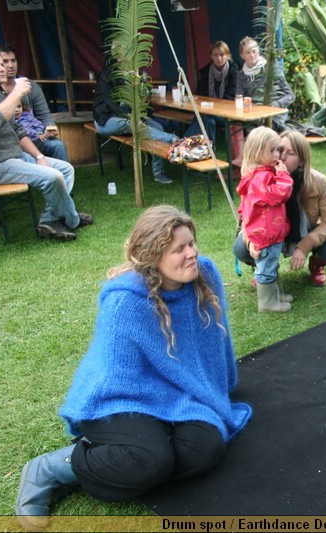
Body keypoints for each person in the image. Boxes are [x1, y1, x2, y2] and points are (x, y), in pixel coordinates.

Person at [14, 205, 252, 532]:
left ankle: (120, 460)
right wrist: (158, 414)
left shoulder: (204, 277)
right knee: (151, 459)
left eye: (192, 243)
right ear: (154, 256)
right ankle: (55, 468)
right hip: (119, 398)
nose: (192, 254)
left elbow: (212, 342)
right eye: (179, 249)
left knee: (206, 450)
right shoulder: (126, 302)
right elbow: (113, 378)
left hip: (178, 392)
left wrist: (219, 385)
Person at [0, 46, 92, 242]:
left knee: (65, 169)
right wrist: (17, 94)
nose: (3, 69)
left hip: (14, 158)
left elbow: (18, 130)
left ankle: (50, 219)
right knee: (53, 176)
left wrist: (39, 157)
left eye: (3, 64)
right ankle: (70, 219)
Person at [233, 130, 326, 287]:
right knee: (241, 247)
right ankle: (264, 270)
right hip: (268, 235)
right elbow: (247, 217)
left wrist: (305, 246)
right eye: (278, 149)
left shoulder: (318, 181)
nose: (281, 156)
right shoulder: (260, 178)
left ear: (301, 161)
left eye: (290, 153)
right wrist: (251, 242)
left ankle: (317, 265)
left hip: (304, 233)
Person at [93, 58, 180, 184]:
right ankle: (173, 139)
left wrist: (142, 94)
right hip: (106, 119)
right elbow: (110, 104)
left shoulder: (134, 75)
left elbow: (142, 106)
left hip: (131, 119)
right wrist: (130, 117)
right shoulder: (107, 75)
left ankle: (158, 173)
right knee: (130, 124)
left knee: (158, 127)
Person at [235, 126, 294, 312]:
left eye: (278, 149)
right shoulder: (263, 177)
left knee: (271, 264)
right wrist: (283, 174)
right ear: (257, 150)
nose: (278, 155)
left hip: (266, 232)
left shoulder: (256, 173)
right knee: (267, 268)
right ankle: (267, 303)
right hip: (266, 234)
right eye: (272, 150)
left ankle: (273, 295)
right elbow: (281, 193)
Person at [0, 43, 69, 162]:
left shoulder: (31, 86)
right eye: (5, 61)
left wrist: (49, 128)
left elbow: (44, 115)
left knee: (58, 146)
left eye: (13, 60)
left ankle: (63, 179)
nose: (11, 65)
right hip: (8, 141)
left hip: (35, 136)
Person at [235, 36, 294, 132]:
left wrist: (275, 104)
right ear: (242, 55)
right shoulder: (241, 75)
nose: (252, 55)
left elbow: (290, 95)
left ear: (258, 50)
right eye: (247, 52)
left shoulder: (270, 69)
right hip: (253, 117)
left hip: (274, 116)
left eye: (254, 51)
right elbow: (239, 98)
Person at [185, 40, 238, 146]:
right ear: (211, 56)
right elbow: (199, 94)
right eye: (215, 55)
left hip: (227, 113)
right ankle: (207, 149)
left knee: (203, 118)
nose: (219, 58)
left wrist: (212, 107)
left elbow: (231, 98)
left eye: (222, 55)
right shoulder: (206, 72)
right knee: (208, 121)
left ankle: (186, 143)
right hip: (209, 113)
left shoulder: (234, 73)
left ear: (227, 55)